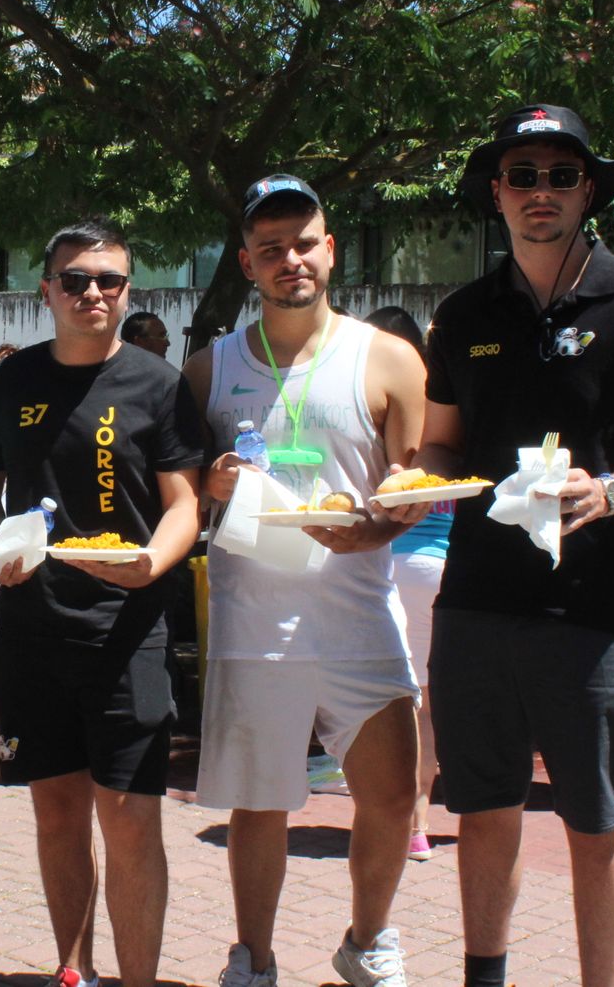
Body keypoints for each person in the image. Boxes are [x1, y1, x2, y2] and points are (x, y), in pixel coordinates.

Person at [396, 103, 614, 987]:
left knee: (597, 817)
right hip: (477, 604)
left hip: (600, 611)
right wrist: (408, 485)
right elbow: (441, 446)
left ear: (588, 191)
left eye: (561, 175)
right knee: (484, 804)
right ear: (496, 193)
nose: (542, 192)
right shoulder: (462, 314)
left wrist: (609, 492)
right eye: (524, 176)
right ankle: (483, 976)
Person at [183, 177, 423, 987]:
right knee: (262, 803)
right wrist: (211, 479)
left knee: (391, 798)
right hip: (255, 616)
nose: (292, 258)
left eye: (305, 240)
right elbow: (182, 485)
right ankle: (253, 955)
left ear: (331, 248)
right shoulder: (209, 368)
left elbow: (415, 480)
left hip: (359, 612)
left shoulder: (386, 356)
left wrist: (380, 524)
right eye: (272, 247)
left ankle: (369, 938)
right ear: (248, 263)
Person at [0, 220, 203, 987]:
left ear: (129, 289)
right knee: (57, 813)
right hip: (32, 630)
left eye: (109, 280)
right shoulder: (12, 381)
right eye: (75, 279)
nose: (92, 292)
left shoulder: (157, 383)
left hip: (128, 631)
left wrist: (150, 564)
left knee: (132, 818)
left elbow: (183, 504)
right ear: (48, 291)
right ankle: (75, 973)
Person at [364, 304, 446, 862]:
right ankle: (416, 819)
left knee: (395, 695)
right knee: (428, 700)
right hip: (445, 563)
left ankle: (398, 816)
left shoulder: (375, 400)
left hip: (389, 561)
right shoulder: (444, 399)